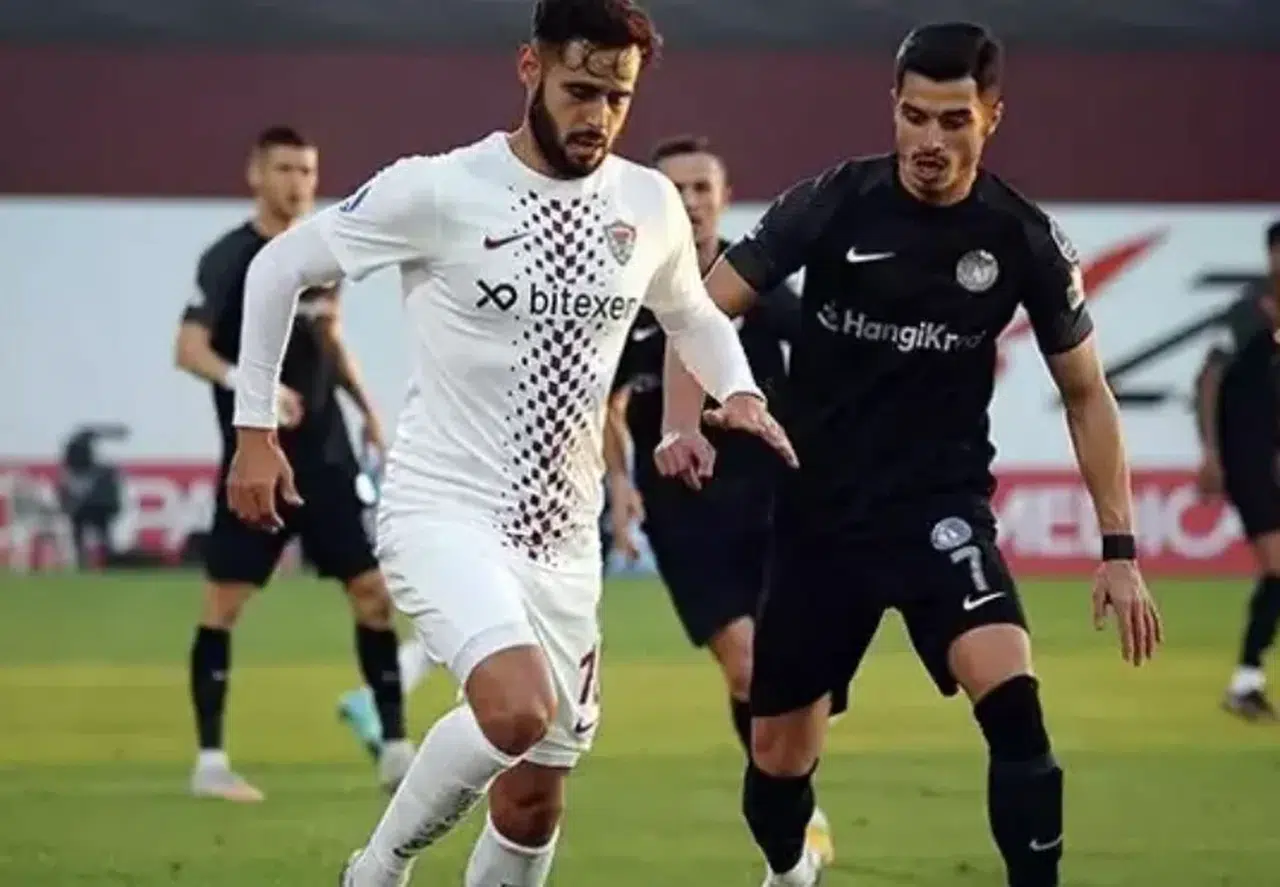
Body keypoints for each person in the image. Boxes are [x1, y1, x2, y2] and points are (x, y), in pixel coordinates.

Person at [220, 3, 795, 885]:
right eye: (580, 90)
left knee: (533, 802)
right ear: (530, 68)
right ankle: (375, 870)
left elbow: (692, 314)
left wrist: (742, 391)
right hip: (444, 511)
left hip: (564, 540)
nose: (598, 115)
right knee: (517, 708)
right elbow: (278, 267)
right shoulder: (440, 189)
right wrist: (255, 431)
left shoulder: (646, 203)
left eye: (618, 97)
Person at [657, 22, 1163, 887]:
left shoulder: (1022, 238)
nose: (930, 139)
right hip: (820, 523)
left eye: (954, 120)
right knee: (778, 758)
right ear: (893, 107)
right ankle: (789, 870)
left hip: (940, 511)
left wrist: (1120, 548)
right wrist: (682, 421)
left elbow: (1087, 392)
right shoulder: (833, 202)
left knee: (1016, 708)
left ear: (992, 117)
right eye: (914, 116)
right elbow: (701, 312)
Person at [173, 125, 424, 802]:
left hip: (329, 460)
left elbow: (329, 336)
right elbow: (188, 348)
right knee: (224, 603)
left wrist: (366, 407)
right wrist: (246, 387)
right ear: (256, 174)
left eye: (307, 171)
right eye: (284, 169)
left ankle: (396, 749)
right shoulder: (231, 257)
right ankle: (210, 762)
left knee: (372, 593)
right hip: (258, 462)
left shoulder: (323, 250)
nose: (297, 183)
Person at [605, 133, 836, 863]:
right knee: (746, 666)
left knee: (800, 672)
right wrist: (618, 483)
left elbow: (824, 353)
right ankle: (795, 813)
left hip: (774, 500)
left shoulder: (758, 279)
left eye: (702, 188)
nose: (691, 201)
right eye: (675, 189)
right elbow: (603, 402)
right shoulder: (628, 287)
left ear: (725, 197)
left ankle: (787, 789)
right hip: (682, 507)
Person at [1199, 220, 1280, 720]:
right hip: (1247, 458)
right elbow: (1209, 379)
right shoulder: (1246, 313)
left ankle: (1248, 679)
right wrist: (1211, 453)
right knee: (1277, 567)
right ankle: (1245, 680)